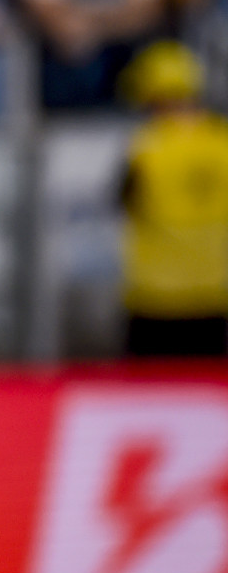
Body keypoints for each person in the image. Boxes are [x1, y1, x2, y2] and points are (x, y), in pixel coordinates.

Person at [114, 40, 228, 357]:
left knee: (150, 400)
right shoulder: (223, 140)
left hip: (154, 298)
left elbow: (123, 202)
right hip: (215, 294)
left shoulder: (143, 146)